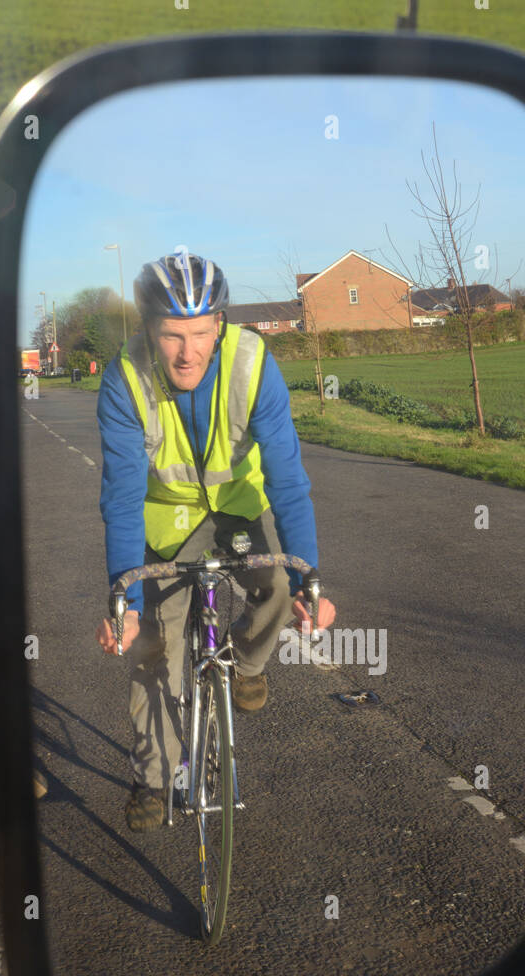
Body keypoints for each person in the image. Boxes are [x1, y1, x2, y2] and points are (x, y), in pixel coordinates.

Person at [94, 251, 335, 830]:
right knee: (156, 651)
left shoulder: (254, 364)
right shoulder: (125, 379)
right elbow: (122, 498)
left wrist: (312, 581)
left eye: (201, 332)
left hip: (235, 513)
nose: (188, 351)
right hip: (166, 524)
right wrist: (121, 603)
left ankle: (247, 665)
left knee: (276, 586)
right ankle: (153, 779)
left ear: (220, 325)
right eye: (173, 334)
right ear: (150, 329)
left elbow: (288, 479)